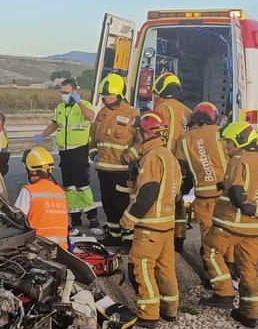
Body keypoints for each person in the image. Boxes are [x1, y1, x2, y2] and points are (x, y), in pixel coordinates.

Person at [200, 121, 258, 328]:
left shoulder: (237, 160)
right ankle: (249, 314)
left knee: (211, 249)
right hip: (254, 228)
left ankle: (223, 292)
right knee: (248, 268)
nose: (226, 147)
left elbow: (236, 192)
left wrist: (247, 207)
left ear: (239, 142)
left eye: (228, 143)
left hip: (230, 223)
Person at [120, 111, 182, 328]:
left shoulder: (152, 157)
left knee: (142, 265)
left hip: (150, 225)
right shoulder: (168, 156)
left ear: (145, 133)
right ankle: (169, 309)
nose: (136, 137)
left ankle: (148, 313)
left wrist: (128, 219)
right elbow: (175, 193)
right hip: (166, 224)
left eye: (138, 133)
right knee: (165, 267)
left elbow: (148, 192)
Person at [34, 78, 100, 236]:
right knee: (69, 187)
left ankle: (93, 218)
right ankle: (75, 216)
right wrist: (41, 135)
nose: (63, 95)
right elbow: (55, 124)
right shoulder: (60, 108)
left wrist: (79, 103)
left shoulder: (84, 105)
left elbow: (91, 117)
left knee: (82, 185)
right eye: (61, 92)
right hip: (64, 152)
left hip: (79, 151)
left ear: (75, 92)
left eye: (66, 92)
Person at [91, 73, 139, 247]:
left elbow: (140, 140)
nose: (106, 100)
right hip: (103, 169)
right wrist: (93, 152)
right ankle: (114, 235)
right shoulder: (102, 114)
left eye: (109, 97)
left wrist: (130, 155)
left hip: (121, 172)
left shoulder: (132, 114)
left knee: (122, 206)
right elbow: (93, 136)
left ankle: (128, 240)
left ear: (119, 95)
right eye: (104, 97)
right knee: (108, 205)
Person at [149, 72, 193, 250]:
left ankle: (161, 239)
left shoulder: (162, 108)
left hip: (165, 163)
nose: (155, 98)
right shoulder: (188, 111)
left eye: (156, 94)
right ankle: (179, 239)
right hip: (183, 164)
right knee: (178, 201)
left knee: (162, 201)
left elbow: (154, 135)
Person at [175, 102, 226, 247]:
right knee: (226, 230)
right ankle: (229, 264)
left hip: (204, 196)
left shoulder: (185, 139)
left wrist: (182, 191)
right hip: (226, 193)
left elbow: (182, 170)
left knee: (208, 232)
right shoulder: (221, 133)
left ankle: (210, 262)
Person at [16, 147, 71, 249]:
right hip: (62, 250)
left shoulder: (29, 191)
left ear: (32, 171)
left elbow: (16, 220)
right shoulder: (60, 191)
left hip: (37, 250)